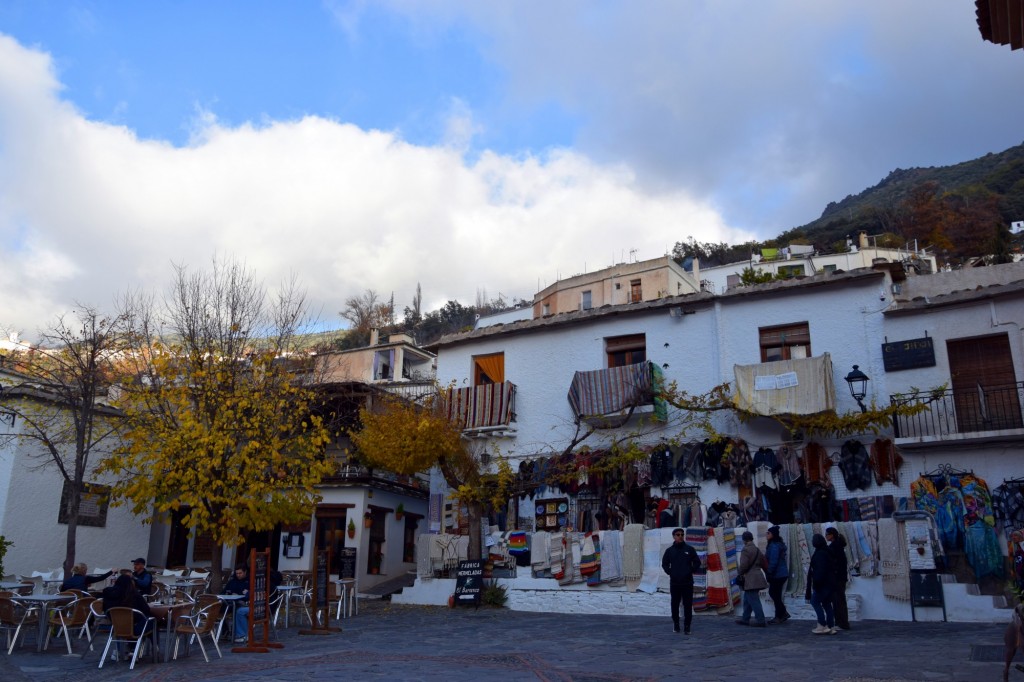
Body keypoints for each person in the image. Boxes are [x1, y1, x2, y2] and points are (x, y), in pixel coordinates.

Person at [661, 527, 701, 634]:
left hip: (687, 582)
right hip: (675, 583)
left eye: (682, 534)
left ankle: (687, 626)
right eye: (678, 535)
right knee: (674, 604)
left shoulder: (689, 549)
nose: (680, 536)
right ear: (674, 536)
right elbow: (664, 564)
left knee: (688, 605)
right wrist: (670, 572)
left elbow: (697, 562)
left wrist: (690, 570)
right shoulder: (669, 551)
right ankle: (676, 624)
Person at [734, 530, 768, 627]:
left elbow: (744, 565)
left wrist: (740, 573)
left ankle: (761, 620)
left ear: (744, 540)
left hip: (750, 578)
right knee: (747, 600)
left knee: (754, 600)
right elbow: (763, 562)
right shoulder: (757, 549)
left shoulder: (745, 550)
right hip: (758, 575)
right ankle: (745, 618)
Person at [806, 533, 837, 634]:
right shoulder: (828, 552)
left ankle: (822, 624)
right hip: (830, 582)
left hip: (822, 583)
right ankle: (831, 626)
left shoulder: (820, 554)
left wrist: (817, 583)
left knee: (815, 602)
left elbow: (820, 570)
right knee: (827, 604)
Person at [826, 526, 851, 630]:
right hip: (840, 577)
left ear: (832, 535)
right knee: (839, 600)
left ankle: (841, 623)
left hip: (837, 578)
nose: (826, 536)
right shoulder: (837, 546)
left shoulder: (834, 547)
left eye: (827, 534)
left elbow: (833, 563)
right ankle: (841, 622)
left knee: (838, 601)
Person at [764, 526, 790, 623]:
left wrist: (769, 572)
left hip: (778, 574)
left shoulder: (774, 546)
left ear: (773, 534)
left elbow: (773, 561)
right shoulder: (776, 544)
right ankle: (781, 615)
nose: (766, 535)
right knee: (776, 595)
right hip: (781, 573)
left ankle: (781, 614)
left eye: (768, 533)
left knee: (774, 593)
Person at [223, 565, 251, 643]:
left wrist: (245, 594)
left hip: (244, 604)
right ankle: (224, 631)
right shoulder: (232, 581)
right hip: (231, 602)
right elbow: (224, 591)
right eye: (237, 573)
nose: (238, 575)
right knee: (221, 608)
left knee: (239, 611)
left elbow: (249, 595)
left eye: (240, 573)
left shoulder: (250, 581)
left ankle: (241, 635)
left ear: (245, 572)